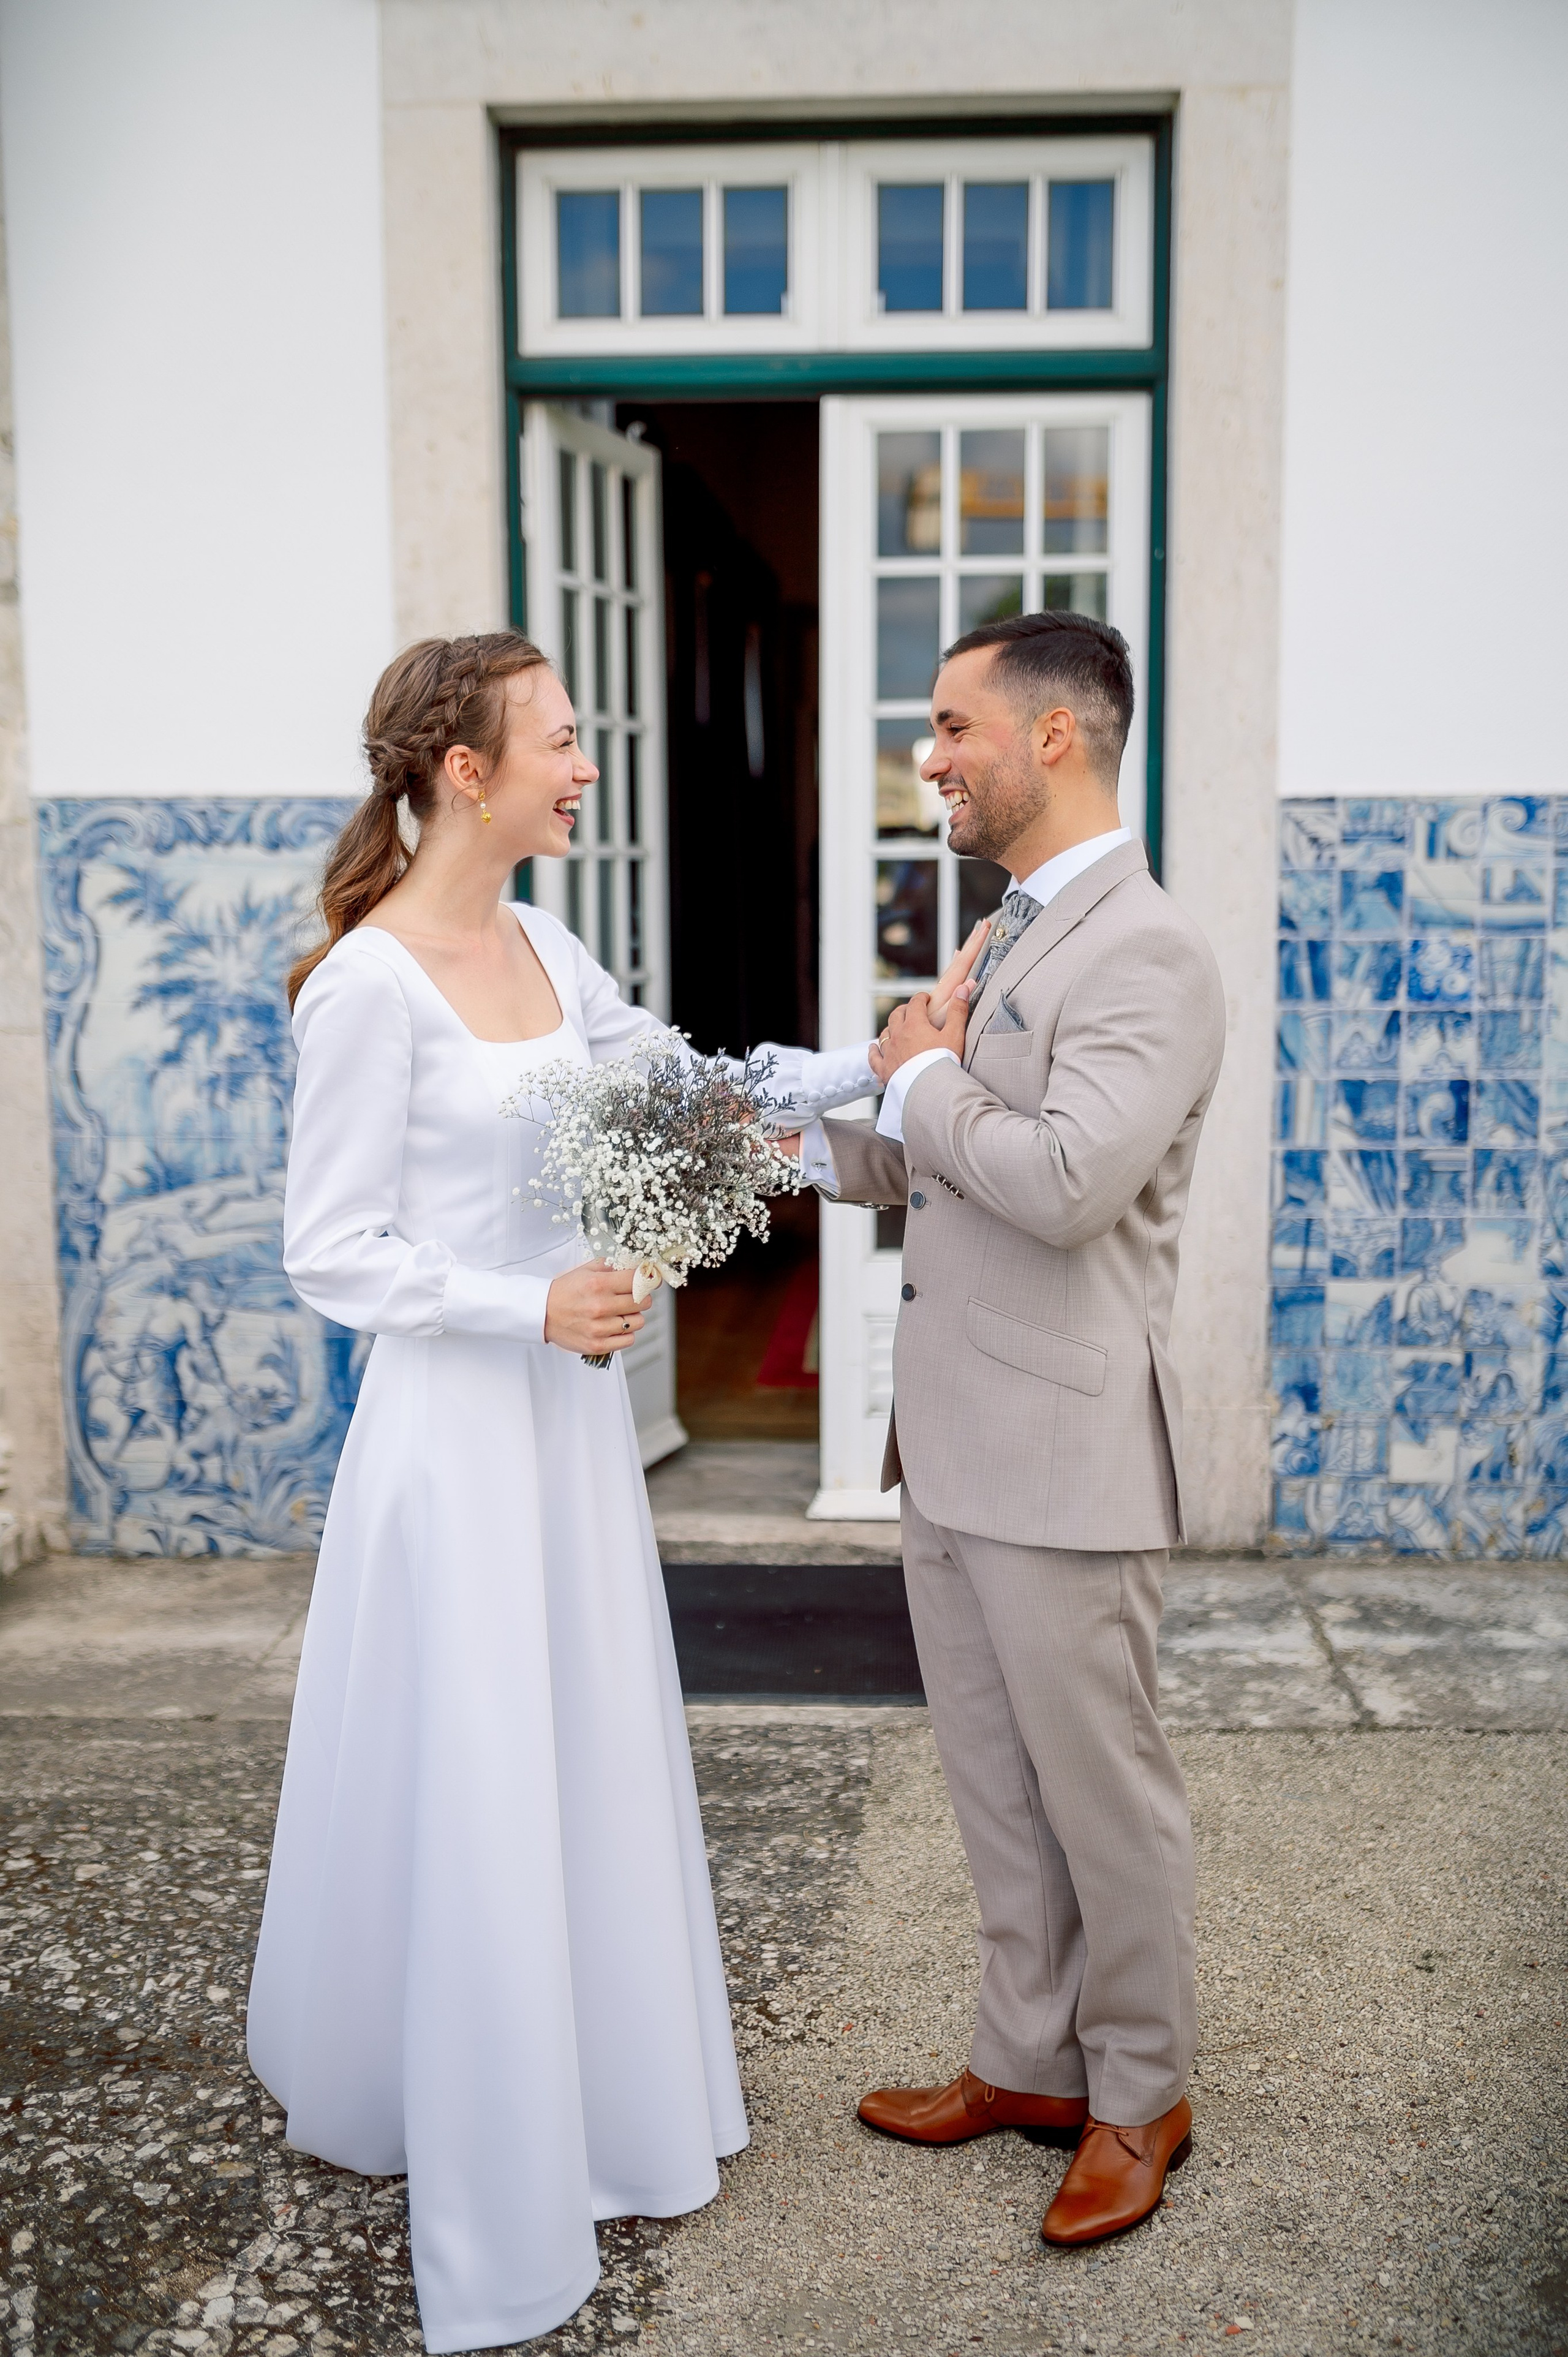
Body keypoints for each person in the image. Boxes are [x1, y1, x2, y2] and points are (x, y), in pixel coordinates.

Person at [246, 632, 887, 2353]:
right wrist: (522, 1303)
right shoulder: (368, 986)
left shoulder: (542, 934)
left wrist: (866, 1073)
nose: (585, 762)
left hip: (567, 1439)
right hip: (455, 1441)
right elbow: (332, 1251)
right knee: (469, 1771)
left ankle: (600, 2100)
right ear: (468, 769)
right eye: (563, 738)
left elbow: (670, 1088)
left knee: (577, 1749)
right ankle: (477, 2143)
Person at [789, 610, 1226, 2249]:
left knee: (1104, 1800)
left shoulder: (1151, 952)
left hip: (1067, 1457)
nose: (934, 755)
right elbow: (935, 1151)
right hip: (953, 1446)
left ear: (1055, 736)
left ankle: (1139, 2096)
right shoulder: (1014, 930)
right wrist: (782, 1128)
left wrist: (918, 1080)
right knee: (993, 1788)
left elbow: (1058, 1183)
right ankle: (1025, 2062)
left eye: (956, 724)